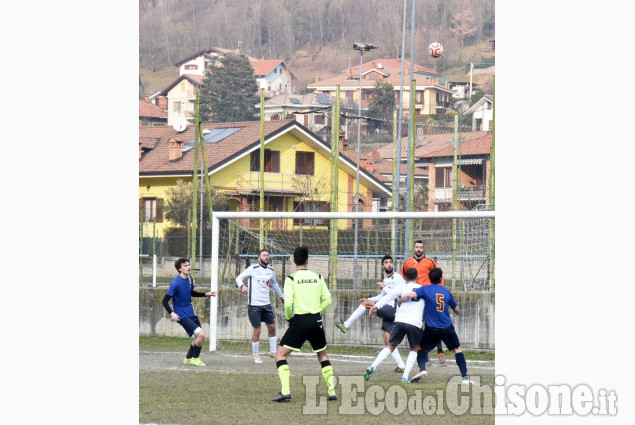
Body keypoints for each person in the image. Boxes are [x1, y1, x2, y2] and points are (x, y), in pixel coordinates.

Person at [272, 247, 336, 402]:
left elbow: (288, 304)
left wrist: (288, 318)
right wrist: (316, 311)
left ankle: (285, 392)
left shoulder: (291, 279)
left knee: (280, 355)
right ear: (308, 260)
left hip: (299, 321)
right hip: (316, 320)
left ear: (294, 261)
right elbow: (328, 299)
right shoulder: (318, 276)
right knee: (322, 355)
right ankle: (332, 392)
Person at [400, 268, 474, 385]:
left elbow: (410, 295)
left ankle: (423, 369)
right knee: (457, 349)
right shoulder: (446, 292)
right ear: (441, 278)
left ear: (429, 279)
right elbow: (457, 310)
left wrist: (400, 301)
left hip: (431, 329)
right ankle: (465, 378)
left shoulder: (424, 289)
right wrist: (457, 311)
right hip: (447, 328)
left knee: (420, 348)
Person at [335, 254, 407, 372]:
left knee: (365, 305)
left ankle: (346, 326)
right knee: (387, 339)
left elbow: (398, 294)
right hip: (388, 309)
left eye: (390, 262)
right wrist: (370, 300)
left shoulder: (398, 278)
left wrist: (383, 288)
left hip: (395, 309)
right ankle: (402, 366)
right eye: (386, 262)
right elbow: (382, 296)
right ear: (382, 265)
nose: (389, 264)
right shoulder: (385, 280)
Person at [365, 267, 423, 383]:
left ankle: (372, 366)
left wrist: (376, 306)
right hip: (414, 323)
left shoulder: (402, 288)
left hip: (399, 321)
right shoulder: (423, 289)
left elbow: (388, 296)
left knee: (390, 346)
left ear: (405, 278)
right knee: (414, 348)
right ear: (418, 277)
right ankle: (405, 377)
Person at [162, 258, 216, 366]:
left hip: (191, 313)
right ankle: (195, 359)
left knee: (197, 337)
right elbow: (165, 301)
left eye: (188, 265)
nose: (188, 267)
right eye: (185, 266)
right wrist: (172, 313)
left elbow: (191, 293)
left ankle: (188, 358)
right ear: (179, 269)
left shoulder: (190, 279)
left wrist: (206, 294)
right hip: (182, 315)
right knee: (201, 334)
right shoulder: (175, 283)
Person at [235, 249, 284, 364]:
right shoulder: (253, 269)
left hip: (266, 304)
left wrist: (282, 296)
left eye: (268, 255)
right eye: (264, 255)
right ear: (259, 258)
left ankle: (273, 352)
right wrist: (242, 286)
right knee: (257, 330)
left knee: (272, 327)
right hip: (254, 305)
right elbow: (238, 278)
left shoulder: (271, 270)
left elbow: (274, 284)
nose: (267, 257)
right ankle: (256, 356)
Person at [402, 239, 445, 365]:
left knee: (433, 324)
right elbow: (404, 278)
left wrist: (439, 289)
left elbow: (439, 277)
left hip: (429, 296)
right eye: (417, 247)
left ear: (424, 249)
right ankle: (424, 354)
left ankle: (440, 352)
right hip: (415, 299)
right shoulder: (407, 262)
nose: (419, 249)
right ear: (414, 249)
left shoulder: (430, 261)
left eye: (421, 247)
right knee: (418, 326)